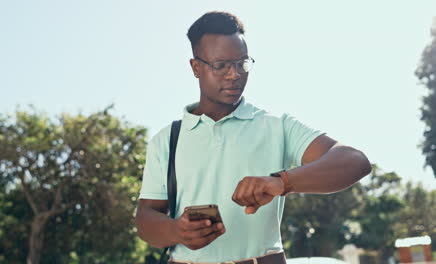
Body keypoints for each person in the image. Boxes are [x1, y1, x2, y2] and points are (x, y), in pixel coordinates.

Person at [136, 11, 371, 264]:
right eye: (221, 65)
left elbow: (355, 161)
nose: (234, 74)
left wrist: (283, 182)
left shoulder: (276, 125)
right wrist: (176, 231)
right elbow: (145, 217)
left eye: (242, 63)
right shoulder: (167, 139)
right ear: (196, 68)